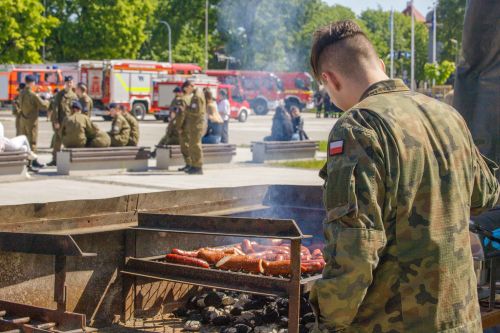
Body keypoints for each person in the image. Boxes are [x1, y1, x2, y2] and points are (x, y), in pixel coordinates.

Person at [309, 20, 499, 332]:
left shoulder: (358, 127)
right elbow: (486, 193)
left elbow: (355, 249)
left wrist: (327, 320)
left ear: (329, 79)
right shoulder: (448, 115)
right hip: (461, 319)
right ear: (380, 64)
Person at [18, 74, 49, 169]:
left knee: (25, 142)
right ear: (31, 83)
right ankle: (32, 162)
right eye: (34, 82)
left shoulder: (22, 92)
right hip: (32, 121)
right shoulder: (32, 94)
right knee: (32, 142)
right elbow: (44, 106)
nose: (35, 84)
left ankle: (27, 161)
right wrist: (47, 100)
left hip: (23, 120)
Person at [48, 76, 77, 166]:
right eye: (68, 82)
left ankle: (68, 160)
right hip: (60, 121)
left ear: (73, 83)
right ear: (65, 83)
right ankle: (55, 159)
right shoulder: (60, 94)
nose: (69, 84)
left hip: (69, 122)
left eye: (71, 82)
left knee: (69, 141)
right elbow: (55, 108)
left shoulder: (74, 95)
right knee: (58, 140)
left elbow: (75, 110)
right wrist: (56, 121)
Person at [182, 80, 206, 175]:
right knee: (192, 144)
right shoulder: (196, 94)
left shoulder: (197, 96)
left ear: (189, 87)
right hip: (194, 124)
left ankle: (198, 166)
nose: (186, 92)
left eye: (186, 89)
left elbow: (197, 111)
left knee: (195, 145)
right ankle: (194, 165)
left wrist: (186, 109)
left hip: (197, 124)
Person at [171, 86, 190, 171]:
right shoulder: (188, 99)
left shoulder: (182, 100)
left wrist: (179, 127)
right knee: (186, 146)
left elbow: (181, 115)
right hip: (188, 126)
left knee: (185, 147)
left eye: (177, 92)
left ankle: (189, 164)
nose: (176, 94)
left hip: (184, 127)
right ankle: (189, 164)